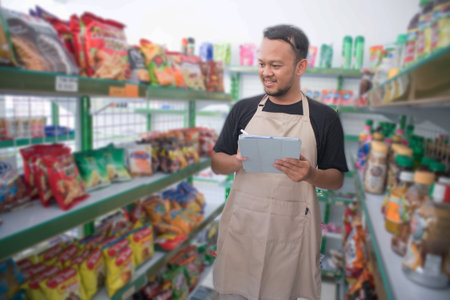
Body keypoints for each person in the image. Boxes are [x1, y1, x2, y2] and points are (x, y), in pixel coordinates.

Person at [211, 24, 348, 300]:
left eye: (275, 65)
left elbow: (336, 179)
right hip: (244, 226)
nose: (265, 72)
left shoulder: (324, 118)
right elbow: (216, 162)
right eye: (262, 63)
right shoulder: (243, 110)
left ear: (300, 67)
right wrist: (236, 161)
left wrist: (311, 174)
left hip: (291, 229)